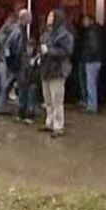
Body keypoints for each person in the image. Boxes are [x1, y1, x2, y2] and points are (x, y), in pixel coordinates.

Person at [39, 9, 74, 138]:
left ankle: (58, 126)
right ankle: (49, 122)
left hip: (57, 70)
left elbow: (67, 51)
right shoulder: (47, 33)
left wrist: (49, 51)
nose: (49, 18)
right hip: (46, 69)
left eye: (51, 16)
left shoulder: (64, 34)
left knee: (56, 100)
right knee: (47, 99)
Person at [0, 9, 30, 114]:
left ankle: (2, 107)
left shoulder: (14, 28)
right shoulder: (19, 30)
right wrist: (17, 61)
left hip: (10, 61)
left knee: (7, 85)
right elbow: (16, 47)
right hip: (14, 62)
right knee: (19, 85)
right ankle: (21, 108)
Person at [81, 15, 102, 113]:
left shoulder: (91, 32)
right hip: (96, 60)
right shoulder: (96, 30)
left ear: (91, 20)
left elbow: (93, 47)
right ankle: (92, 104)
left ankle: (92, 106)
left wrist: (86, 55)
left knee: (90, 84)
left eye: (85, 20)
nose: (83, 22)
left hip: (91, 60)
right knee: (92, 83)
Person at [18, 38, 40, 124]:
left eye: (31, 47)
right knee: (22, 98)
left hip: (32, 81)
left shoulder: (37, 59)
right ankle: (21, 114)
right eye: (28, 47)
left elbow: (37, 71)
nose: (29, 49)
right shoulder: (23, 57)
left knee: (31, 99)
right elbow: (21, 69)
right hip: (23, 81)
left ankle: (30, 115)